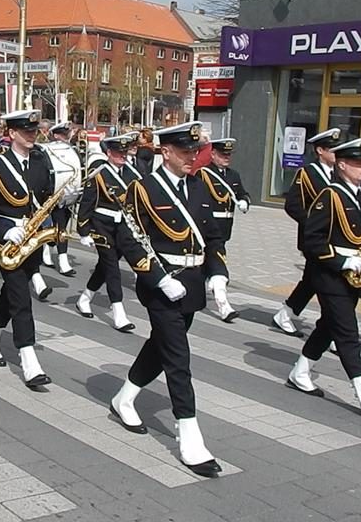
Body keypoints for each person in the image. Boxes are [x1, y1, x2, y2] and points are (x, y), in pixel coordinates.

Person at [109, 121, 224, 477]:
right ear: (166, 152)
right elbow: (128, 239)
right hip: (161, 285)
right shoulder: (143, 189)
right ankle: (189, 435)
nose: (192, 157)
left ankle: (124, 398)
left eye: (195, 151)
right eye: (185, 152)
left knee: (161, 347)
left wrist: (218, 272)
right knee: (178, 357)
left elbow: (212, 235)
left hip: (191, 283)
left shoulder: (199, 185)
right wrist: (158, 278)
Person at [285, 138, 361, 419]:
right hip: (331, 276)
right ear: (343, 165)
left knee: (328, 326)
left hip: (354, 275)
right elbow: (313, 240)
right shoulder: (330, 195)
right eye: (359, 163)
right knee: (348, 334)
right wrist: (341, 260)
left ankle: (300, 371)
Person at [0, 109, 55, 389]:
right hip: (8, 241)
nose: (32, 135)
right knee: (21, 297)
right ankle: (29, 360)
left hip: (31, 239)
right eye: (26, 131)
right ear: (12, 134)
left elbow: (44, 199)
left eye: (34, 131)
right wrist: (5, 229)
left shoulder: (39, 163)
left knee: (11, 292)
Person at [272, 128, 342, 337]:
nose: (336, 154)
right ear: (320, 150)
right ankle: (332, 330)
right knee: (326, 283)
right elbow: (293, 205)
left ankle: (286, 313)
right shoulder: (307, 173)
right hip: (315, 239)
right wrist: (314, 224)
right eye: (332, 149)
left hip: (335, 239)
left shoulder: (338, 174)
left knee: (312, 280)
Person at [74, 132, 142, 332]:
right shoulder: (99, 173)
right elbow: (87, 202)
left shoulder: (132, 173)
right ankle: (119, 312)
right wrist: (84, 231)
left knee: (104, 266)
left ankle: (84, 298)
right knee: (112, 267)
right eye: (118, 152)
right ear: (109, 153)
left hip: (122, 226)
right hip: (101, 226)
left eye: (125, 152)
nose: (123, 156)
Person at [197, 137, 250, 322]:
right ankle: (223, 305)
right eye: (222, 154)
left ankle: (195, 294)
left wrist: (244, 201)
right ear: (213, 154)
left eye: (228, 155)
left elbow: (242, 193)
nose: (226, 158)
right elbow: (198, 201)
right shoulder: (204, 174)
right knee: (218, 261)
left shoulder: (233, 175)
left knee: (205, 264)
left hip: (225, 227)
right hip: (208, 227)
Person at [40, 121, 78, 277]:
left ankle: (56, 256)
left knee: (62, 226)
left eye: (66, 134)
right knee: (52, 227)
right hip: (49, 194)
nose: (66, 137)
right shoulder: (45, 150)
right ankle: (53, 255)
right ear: (55, 135)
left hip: (67, 194)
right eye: (62, 135)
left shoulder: (72, 150)